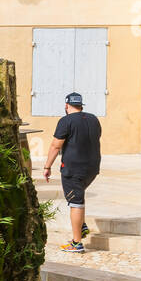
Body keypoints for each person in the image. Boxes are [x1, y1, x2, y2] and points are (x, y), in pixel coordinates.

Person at [43, 91, 102, 254]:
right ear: (81, 105)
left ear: (67, 105)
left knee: (76, 202)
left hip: (73, 169)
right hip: (92, 168)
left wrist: (47, 166)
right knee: (78, 195)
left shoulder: (65, 121)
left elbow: (56, 145)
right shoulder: (93, 119)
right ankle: (81, 226)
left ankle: (77, 243)